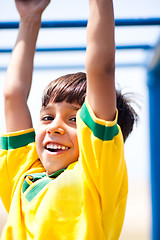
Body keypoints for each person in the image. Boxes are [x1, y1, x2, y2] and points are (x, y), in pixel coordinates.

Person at [0, 0, 138, 239]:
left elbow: (101, 68)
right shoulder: (25, 175)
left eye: (74, 120)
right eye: (47, 117)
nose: (55, 127)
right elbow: (13, 95)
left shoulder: (95, 174)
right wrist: (29, 18)